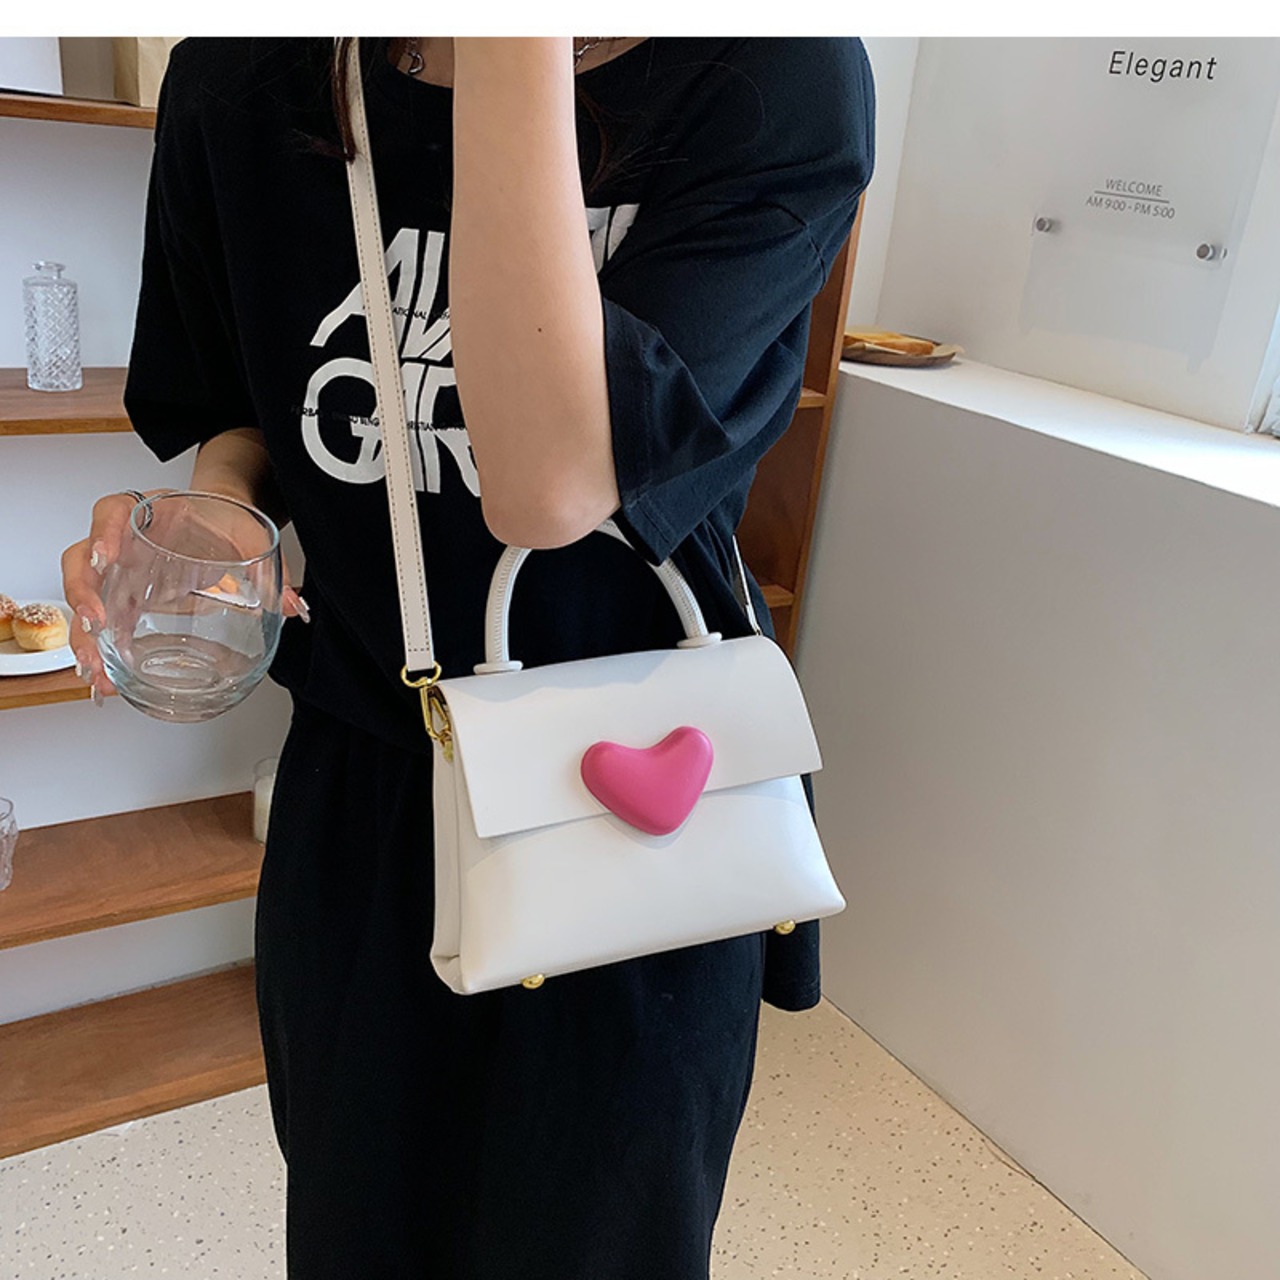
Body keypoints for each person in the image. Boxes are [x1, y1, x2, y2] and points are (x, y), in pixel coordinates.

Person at [61, 35, 875, 1280]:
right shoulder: (244, 72)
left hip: (636, 795)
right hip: (367, 784)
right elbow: (240, 399)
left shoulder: (766, 74)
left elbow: (549, 481)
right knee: (357, 1234)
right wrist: (222, 505)